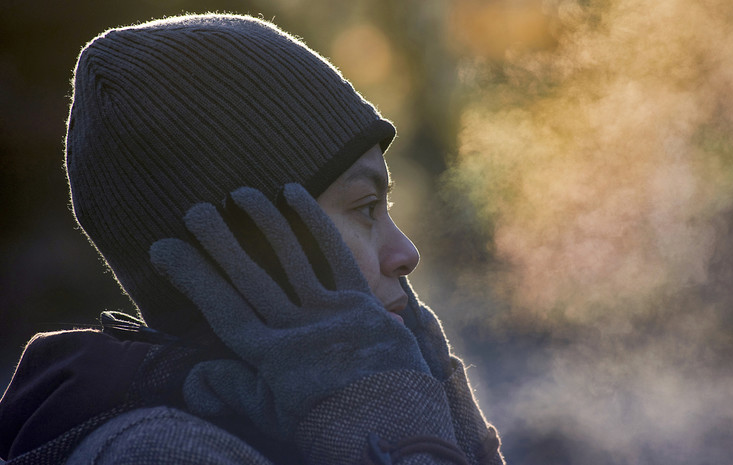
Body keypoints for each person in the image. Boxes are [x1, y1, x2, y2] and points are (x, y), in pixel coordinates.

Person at [0, 13, 505, 465]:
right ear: (247, 243)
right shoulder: (161, 451)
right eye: (364, 208)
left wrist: (449, 424)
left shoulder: (310, 406)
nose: (407, 254)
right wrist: (397, 433)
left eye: (386, 206)